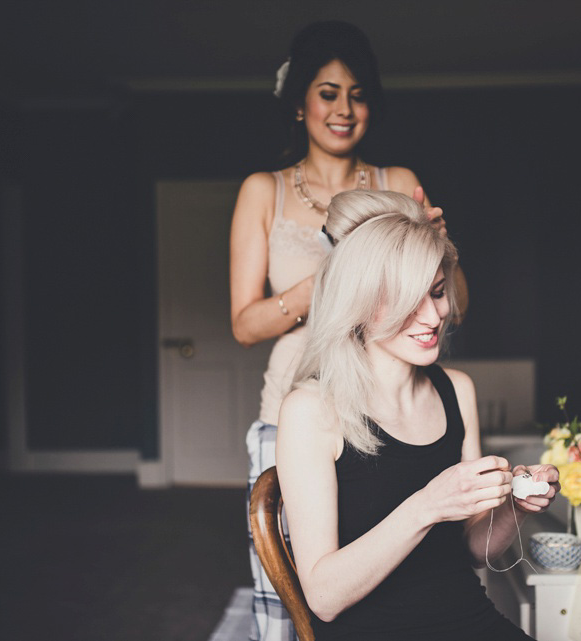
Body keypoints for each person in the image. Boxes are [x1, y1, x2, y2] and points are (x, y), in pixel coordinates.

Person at [229, 20, 466, 641]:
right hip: (300, 402)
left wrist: (439, 251)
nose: (343, 108)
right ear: (300, 101)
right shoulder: (264, 191)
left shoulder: (396, 181)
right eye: (328, 92)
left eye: (357, 94)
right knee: (290, 592)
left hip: (388, 397)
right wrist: (334, 282)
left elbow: (450, 305)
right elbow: (245, 325)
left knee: (409, 558)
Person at [276, 190, 559, 640]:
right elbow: (324, 600)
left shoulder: (456, 391)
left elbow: (470, 549)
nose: (433, 316)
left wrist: (515, 508)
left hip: (468, 622)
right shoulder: (311, 411)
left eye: (438, 292)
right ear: (359, 303)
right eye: (409, 299)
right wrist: (427, 505)